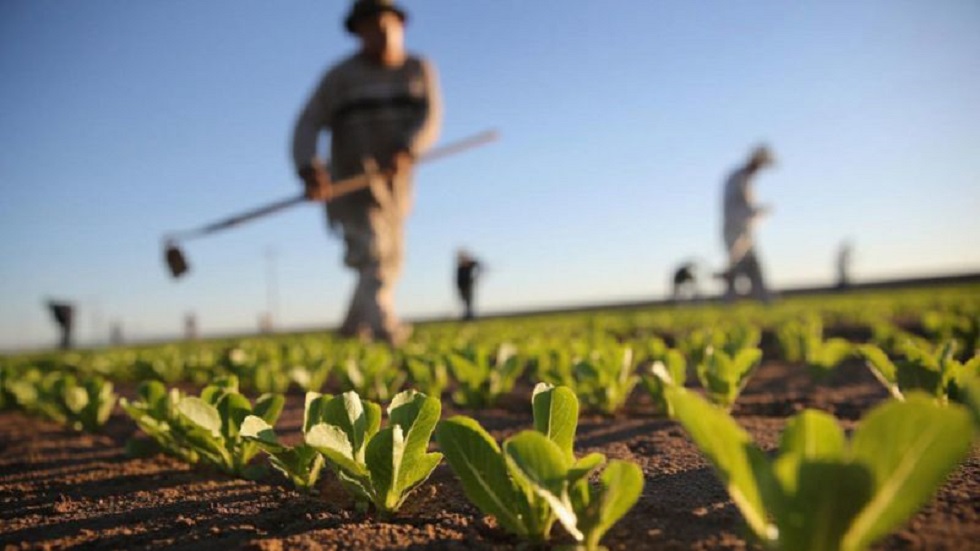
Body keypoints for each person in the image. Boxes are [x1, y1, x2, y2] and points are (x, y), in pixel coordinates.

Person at [292, 0, 442, 346]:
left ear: (400, 25)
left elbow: (430, 118)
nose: (380, 35)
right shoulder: (340, 78)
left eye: (386, 25)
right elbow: (308, 123)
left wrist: (409, 148)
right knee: (372, 251)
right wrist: (308, 166)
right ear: (358, 33)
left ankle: (350, 329)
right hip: (351, 182)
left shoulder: (418, 69)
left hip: (396, 186)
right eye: (370, 28)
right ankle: (385, 329)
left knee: (390, 258)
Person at [720, 145, 775, 302]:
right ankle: (729, 302)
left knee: (754, 268)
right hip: (734, 233)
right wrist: (757, 211)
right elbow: (735, 208)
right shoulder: (737, 178)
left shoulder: (745, 180)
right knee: (737, 269)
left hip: (745, 233)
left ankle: (765, 300)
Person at [455, 249, 482, 320]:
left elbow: (478, 265)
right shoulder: (460, 267)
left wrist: (476, 275)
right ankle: (467, 315)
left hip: (468, 285)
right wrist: (458, 286)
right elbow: (458, 278)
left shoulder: (469, 264)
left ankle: (470, 316)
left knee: (469, 301)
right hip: (461, 286)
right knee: (464, 301)